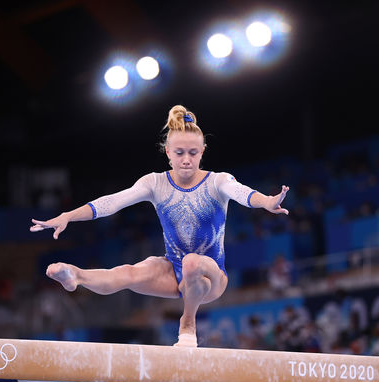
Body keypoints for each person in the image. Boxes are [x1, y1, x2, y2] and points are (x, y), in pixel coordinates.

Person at [30, 105, 290, 347]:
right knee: (128, 273)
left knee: (192, 262)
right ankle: (77, 276)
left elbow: (242, 193)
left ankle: (187, 323)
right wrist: (68, 215)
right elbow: (112, 202)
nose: (186, 159)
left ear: (202, 152)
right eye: (179, 153)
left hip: (212, 276)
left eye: (193, 153)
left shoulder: (218, 181)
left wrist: (267, 201)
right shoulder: (155, 183)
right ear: (167, 152)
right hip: (172, 271)